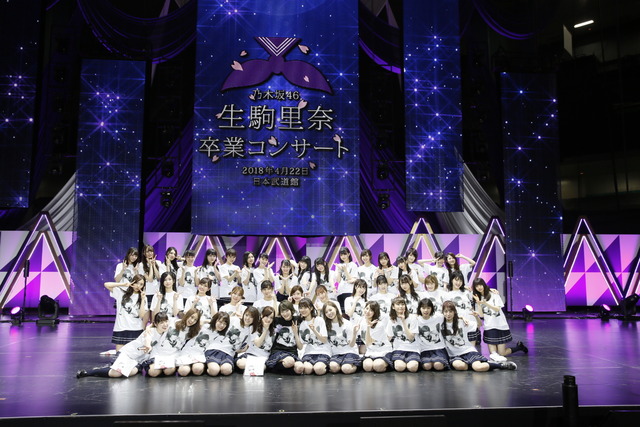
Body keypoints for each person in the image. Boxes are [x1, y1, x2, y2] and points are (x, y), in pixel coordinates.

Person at [77, 312, 170, 378]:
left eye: (166, 321)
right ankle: (90, 372)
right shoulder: (150, 331)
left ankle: (115, 366)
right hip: (127, 354)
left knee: (132, 372)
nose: (165, 324)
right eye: (161, 322)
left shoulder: (165, 331)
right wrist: (148, 345)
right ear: (156, 324)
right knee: (116, 374)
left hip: (138, 360)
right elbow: (147, 339)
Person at [440, 301, 516, 372]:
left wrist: (476, 317)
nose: (448, 314)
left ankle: (501, 365)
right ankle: (475, 365)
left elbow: (479, 325)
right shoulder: (440, 324)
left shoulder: (461, 322)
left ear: (454, 312)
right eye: (446, 311)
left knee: (479, 368)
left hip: (468, 351)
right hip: (454, 355)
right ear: (442, 312)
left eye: (450, 311)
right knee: (460, 366)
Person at [472, 278, 528, 361]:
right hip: (489, 327)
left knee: (502, 353)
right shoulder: (477, 298)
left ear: (484, 284)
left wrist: (485, 303)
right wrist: (479, 303)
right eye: (477, 286)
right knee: (493, 354)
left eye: (480, 285)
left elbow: (497, 309)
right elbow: (481, 315)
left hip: (500, 325)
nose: (479, 287)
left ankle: (519, 347)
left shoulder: (494, 294)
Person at [146, 308, 201, 377]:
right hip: (158, 352)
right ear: (187, 315)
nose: (192, 321)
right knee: (153, 373)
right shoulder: (173, 321)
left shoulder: (192, 331)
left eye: (195, 320)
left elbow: (205, 322)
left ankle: (164, 369)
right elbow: (159, 322)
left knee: (168, 371)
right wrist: (148, 327)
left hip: (173, 355)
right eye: (191, 317)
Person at [104, 274, 147, 351]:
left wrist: (143, 299)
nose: (138, 286)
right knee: (119, 355)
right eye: (137, 283)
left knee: (135, 355)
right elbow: (106, 285)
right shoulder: (121, 293)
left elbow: (141, 315)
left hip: (136, 329)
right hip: (121, 328)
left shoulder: (143, 297)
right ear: (133, 282)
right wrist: (123, 284)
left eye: (141, 284)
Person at [265, 301, 304, 374]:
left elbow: (300, 347)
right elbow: (266, 318)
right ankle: (271, 365)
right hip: (278, 351)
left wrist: (295, 333)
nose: (285, 314)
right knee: (290, 361)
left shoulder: (297, 320)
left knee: (300, 368)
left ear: (291, 310)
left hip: (292, 352)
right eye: (282, 311)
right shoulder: (277, 320)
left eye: (287, 311)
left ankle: (275, 369)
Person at [322, 301, 360, 374]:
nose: (329, 313)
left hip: (349, 351)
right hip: (336, 353)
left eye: (330, 310)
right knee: (333, 368)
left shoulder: (347, 323)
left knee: (346, 369)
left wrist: (354, 334)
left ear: (336, 309)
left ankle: (357, 365)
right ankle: (343, 365)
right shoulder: (326, 325)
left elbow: (351, 345)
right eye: (326, 312)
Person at [235, 306, 276, 373]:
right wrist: (265, 330)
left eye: (271, 318)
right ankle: (254, 368)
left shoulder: (274, 331)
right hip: (251, 355)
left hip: (263, 357)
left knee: (263, 367)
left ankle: (252, 368)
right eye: (266, 316)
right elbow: (258, 344)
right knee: (241, 364)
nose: (268, 319)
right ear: (262, 315)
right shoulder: (254, 327)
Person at [297, 298, 331, 375]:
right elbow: (301, 346)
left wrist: (314, 330)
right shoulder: (302, 324)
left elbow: (324, 340)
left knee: (318, 369)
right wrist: (296, 333)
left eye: (305, 307)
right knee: (307, 370)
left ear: (311, 308)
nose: (303, 310)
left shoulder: (319, 320)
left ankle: (327, 366)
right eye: (301, 308)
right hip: (309, 352)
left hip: (322, 351)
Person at [386, 297, 420, 373]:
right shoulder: (391, 320)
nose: (401, 306)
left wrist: (403, 321)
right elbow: (389, 338)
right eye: (398, 304)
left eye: (402, 304)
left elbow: (411, 338)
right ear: (393, 307)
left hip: (412, 349)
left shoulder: (412, 318)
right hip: (399, 348)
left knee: (412, 368)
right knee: (399, 367)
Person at [446, 270, 479, 345]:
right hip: (457, 323)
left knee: (471, 347)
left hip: (470, 321)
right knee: (459, 345)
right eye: (456, 280)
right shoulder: (447, 295)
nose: (458, 283)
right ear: (451, 280)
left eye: (460, 281)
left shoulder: (466, 292)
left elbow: (478, 297)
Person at [415, 298, 448, 371]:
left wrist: (462, 318)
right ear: (419, 309)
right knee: (427, 366)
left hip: (438, 348)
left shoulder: (438, 317)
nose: (426, 310)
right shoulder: (416, 320)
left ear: (432, 309)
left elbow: (451, 316)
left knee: (438, 366)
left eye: (428, 308)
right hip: (424, 349)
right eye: (423, 308)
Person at [359, 301, 392, 373]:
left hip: (382, 351)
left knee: (378, 366)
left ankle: (387, 364)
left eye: (371, 310)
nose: (367, 311)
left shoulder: (379, 325)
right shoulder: (362, 321)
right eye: (367, 308)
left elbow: (369, 342)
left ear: (375, 313)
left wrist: (368, 327)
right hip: (371, 351)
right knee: (367, 367)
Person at [204, 312, 237, 376]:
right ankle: (208, 367)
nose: (222, 325)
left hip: (227, 353)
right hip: (213, 351)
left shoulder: (228, 330)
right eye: (220, 322)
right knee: (214, 371)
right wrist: (208, 321)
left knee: (226, 370)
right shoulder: (207, 327)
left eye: (224, 324)